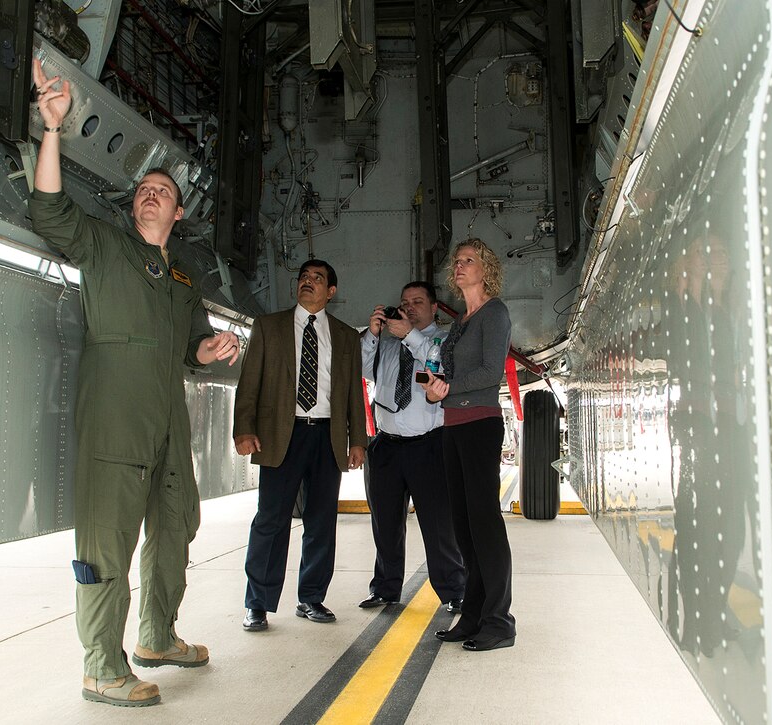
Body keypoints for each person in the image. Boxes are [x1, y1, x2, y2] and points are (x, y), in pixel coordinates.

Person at [28, 59, 240, 707]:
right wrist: (53, 130)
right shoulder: (105, 248)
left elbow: (191, 349)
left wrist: (208, 349)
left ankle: (156, 634)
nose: (151, 192)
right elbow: (50, 210)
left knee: (178, 520)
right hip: (115, 420)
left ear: (178, 215)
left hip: (166, 422)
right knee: (107, 539)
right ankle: (101, 663)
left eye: (163, 191)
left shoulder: (183, 283)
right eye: (144, 188)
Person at [233, 260, 368, 631]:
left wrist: (358, 439)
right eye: (304, 278)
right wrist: (243, 428)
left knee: (321, 521)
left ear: (331, 291)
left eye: (318, 279)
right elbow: (250, 383)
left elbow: (353, 392)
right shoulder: (269, 327)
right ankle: (258, 602)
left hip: (326, 437)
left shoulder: (344, 336)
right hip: (281, 435)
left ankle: (311, 598)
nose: (308, 283)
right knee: (270, 520)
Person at [420, 239, 516, 652]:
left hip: (479, 424)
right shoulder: (461, 320)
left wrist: (447, 388)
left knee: (485, 525)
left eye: (468, 261)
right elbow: (446, 374)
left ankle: (499, 621)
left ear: (486, 268)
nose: (458, 266)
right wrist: (434, 391)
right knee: (463, 526)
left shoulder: (494, 313)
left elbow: (491, 372)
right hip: (452, 425)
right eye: (456, 261)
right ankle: (473, 615)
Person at [359, 283, 465, 611]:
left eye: (418, 301)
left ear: (434, 308)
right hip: (386, 447)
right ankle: (385, 589)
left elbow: (442, 365)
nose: (410, 307)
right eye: (405, 302)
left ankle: (454, 591)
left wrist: (409, 335)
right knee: (386, 524)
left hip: (429, 447)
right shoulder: (388, 345)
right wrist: (374, 335)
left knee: (438, 525)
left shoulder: (445, 340)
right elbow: (362, 369)